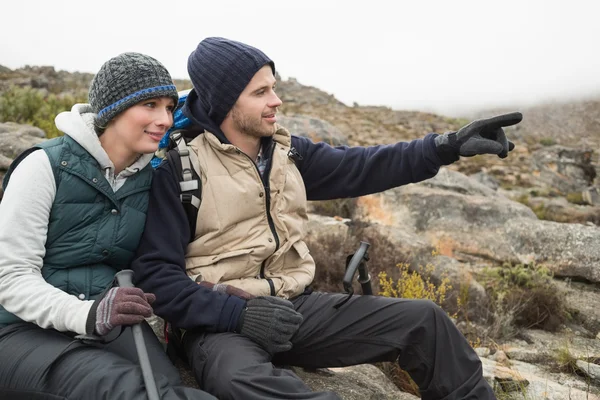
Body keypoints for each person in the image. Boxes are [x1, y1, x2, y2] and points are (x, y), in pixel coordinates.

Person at [132, 37, 522, 400]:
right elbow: (158, 277)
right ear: (225, 103)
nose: (277, 100)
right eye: (261, 92)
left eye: (273, 86)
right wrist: (238, 313)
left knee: (425, 322)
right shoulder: (180, 169)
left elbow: (364, 166)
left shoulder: (288, 154)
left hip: (294, 308)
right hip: (219, 323)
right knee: (238, 380)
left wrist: (443, 147)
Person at [0, 52, 216, 400]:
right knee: (128, 390)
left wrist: (212, 291)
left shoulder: (152, 179)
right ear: (112, 109)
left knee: (166, 387)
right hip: (17, 328)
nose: (163, 119)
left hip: (106, 321)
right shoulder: (45, 166)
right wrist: (87, 313)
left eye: (168, 107)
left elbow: (157, 264)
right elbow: (10, 278)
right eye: (149, 104)